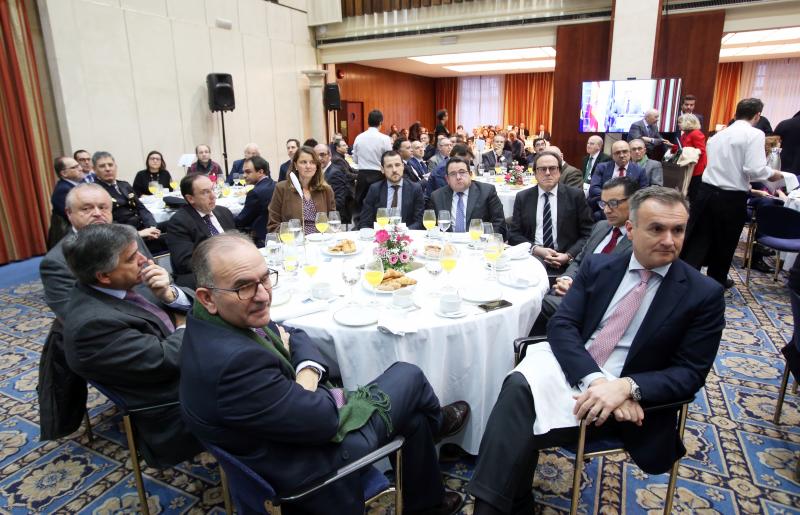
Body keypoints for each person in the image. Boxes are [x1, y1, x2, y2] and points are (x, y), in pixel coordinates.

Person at [467, 187, 725, 515]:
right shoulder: (601, 267)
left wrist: (627, 387)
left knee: (516, 411)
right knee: (519, 389)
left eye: (678, 230)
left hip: (628, 404)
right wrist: (595, 380)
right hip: (578, 369)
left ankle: (502, 506)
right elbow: (562, 326)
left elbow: (690, 374)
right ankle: (512, 503)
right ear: (631, 229)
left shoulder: (703, 294)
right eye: (657, 228)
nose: (670, 240)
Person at [179, 233, 468, 515]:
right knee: (409, 374)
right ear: (207, 297)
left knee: (414, 416)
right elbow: (325, 420)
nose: (263, 295)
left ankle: (428, 504)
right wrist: (306, 384)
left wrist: (304, 369)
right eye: (244, 287)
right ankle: (438, 422)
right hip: (309, 465)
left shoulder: (211, 322)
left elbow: (293, 333)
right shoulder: (235, 364)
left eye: (265, 278)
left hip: (280, 436)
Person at [62, 223, 202, 468]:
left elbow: (184, 304)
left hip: (190, 362)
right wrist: (184, 325)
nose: (144, 260)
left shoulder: (119, 285)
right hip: (180, 404)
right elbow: (166, 359)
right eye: (131, 258)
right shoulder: (92, 326)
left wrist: (170, 294)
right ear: (103, 275)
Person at [38, 184, 153, 439]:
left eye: (103, 207)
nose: (97, 213)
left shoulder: (129, 233)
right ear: (69, 214)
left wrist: (167, 299)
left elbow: (150, 280)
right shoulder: (57, 262)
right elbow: (78, 318)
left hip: (149, 320)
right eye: (87, 208)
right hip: (114, 339)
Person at [682, 98, 783, 287]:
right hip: (730, 197)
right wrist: (774, 174)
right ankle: (715, 283)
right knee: (725, 243)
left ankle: (686, 280)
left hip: (706, 192)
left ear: (736, 113)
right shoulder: (755, 134)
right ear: (757, 115)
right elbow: (754, 169)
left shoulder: (719, 134)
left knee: (698, 239)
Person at [537, 177, 638, 325]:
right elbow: (579, 260)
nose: (607, 210)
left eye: (614, 203)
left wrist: (577, 291)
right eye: (603, 203)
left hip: (596, 306)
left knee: (536, 307)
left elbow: (621, 287)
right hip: (568, 290)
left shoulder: (638, 240)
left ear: (634, 201)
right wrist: (567, 279)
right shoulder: (601, 226)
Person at [508, 151, 593, 274]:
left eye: (552, 168)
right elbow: (514, 234)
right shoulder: (523, 197)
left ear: (559, 172)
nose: (547, 173)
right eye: (542, 169)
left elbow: (588, 233)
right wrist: (536, 249)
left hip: (566, 260)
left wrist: (569, 255)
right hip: (532, 258)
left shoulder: (575, 196)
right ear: (535, 173)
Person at [166, 174, 236, 288]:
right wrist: (223, 262)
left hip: (235, 268)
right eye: (205, 192)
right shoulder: (179, 222)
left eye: (212, 189)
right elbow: (185, 262)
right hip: (205, 277)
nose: (213, 196)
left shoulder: (224, 213)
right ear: (190, 198)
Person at [92, 151, 163, 252]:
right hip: (124, 239)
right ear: (94, 170)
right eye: (102, 166)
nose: (108, 169)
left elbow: (141, 208)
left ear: (115, 167)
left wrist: (152, 226)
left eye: (110, 165)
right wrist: (138, 233)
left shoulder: (124, 185)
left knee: (175, 223)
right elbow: (106, 224)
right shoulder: (95, 191)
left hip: (144, 228)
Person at [431, 157, 507, 238]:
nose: (458, 177)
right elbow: (432, 228)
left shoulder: (487, 191)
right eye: (453, 174)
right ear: (447, 179)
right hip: (448, 245)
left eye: (462, 172)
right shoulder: (437, 196)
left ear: (470, 174)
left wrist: (485, 240)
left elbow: (499, 224)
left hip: (478, 243)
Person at [268, 145, 336, 234]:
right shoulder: (281, 188)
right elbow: (273, 224)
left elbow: (333, 220)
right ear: (296, 165)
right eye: (303, 162)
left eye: (312, 162)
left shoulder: (326, 190)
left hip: (321, 241)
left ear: (317, 166)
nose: (308, 166)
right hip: (294, 243)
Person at [359, 150, 425, 230]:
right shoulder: (375, 189)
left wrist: (404, 233)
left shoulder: (415, 189)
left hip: (407, 236)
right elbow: (365, 221)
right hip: (380, 237)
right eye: (389, 166)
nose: (394, 170)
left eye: (397, 165)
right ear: (382, 169)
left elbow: (419, 221)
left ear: (403, 166)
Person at [588, 141, 649, 221]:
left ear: (630, 153)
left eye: (625, 151)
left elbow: (643, 192)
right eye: (617, 153)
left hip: (628, 208)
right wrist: (612, 200)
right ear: (612, 155)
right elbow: (594, 189)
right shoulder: (602, 167)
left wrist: (621, 201)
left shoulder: (639, 171)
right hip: (604, 206)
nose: (622, 155)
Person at [353, 110, 392, 218]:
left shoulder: (359, 137)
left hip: (362, 175)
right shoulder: (385, 139)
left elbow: (355, 160)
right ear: (381, 122)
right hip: (378, 175)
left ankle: (360, 228)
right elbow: (388, 159)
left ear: (368, 122)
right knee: (378, 206)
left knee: (361, 207)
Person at [235, 156, 275, 247]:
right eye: (243, 172)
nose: (244, 175)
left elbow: (241, 220)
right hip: (273, 234)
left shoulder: (255, 193)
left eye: (248, 172)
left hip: (259, 239)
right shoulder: (275, 184)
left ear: (260, 172)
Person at [317, 143, 355, 225]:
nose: (319, 158)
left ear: (329, 155)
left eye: (322, 155)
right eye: (316, 155)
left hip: (335, 220)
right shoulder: (320, 171)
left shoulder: (334, 173)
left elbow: (339, 201)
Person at [674, 114, 707, 200]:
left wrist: (687, 151)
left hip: (696, 168)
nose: (678, 124)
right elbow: (682, 148)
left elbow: (701, 150)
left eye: (680, 122)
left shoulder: (696, 133)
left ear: (687, 123)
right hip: (687, 167)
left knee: (693, 192)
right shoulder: (684, 134)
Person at [50, 156, 85, 225]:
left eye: (79, 165)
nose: (81, 169)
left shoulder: (79, 184)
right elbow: (75, 216)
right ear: (64, 173)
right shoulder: (63, 190)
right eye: (75, 167)